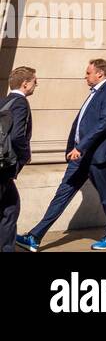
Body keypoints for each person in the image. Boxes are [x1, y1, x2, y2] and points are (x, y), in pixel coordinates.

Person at [17, 58, 106, 252]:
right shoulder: (94, 93)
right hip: (79, 157)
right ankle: (34, 237)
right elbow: (84, 123)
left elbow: (104, 122)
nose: (85, 76)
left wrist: (81, 146)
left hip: (97, 156)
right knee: (62, 195)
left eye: (88, 73)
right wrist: (73, 148)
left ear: (100, 73)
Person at [1, 67, 36, 253]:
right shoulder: (20, 103)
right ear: (25, 83)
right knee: (10, 208)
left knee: (10, 207)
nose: (35, 85)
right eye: (34, 82)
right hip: (4, 166)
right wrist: (25, 155)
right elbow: (17, 137)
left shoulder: (4, 101)